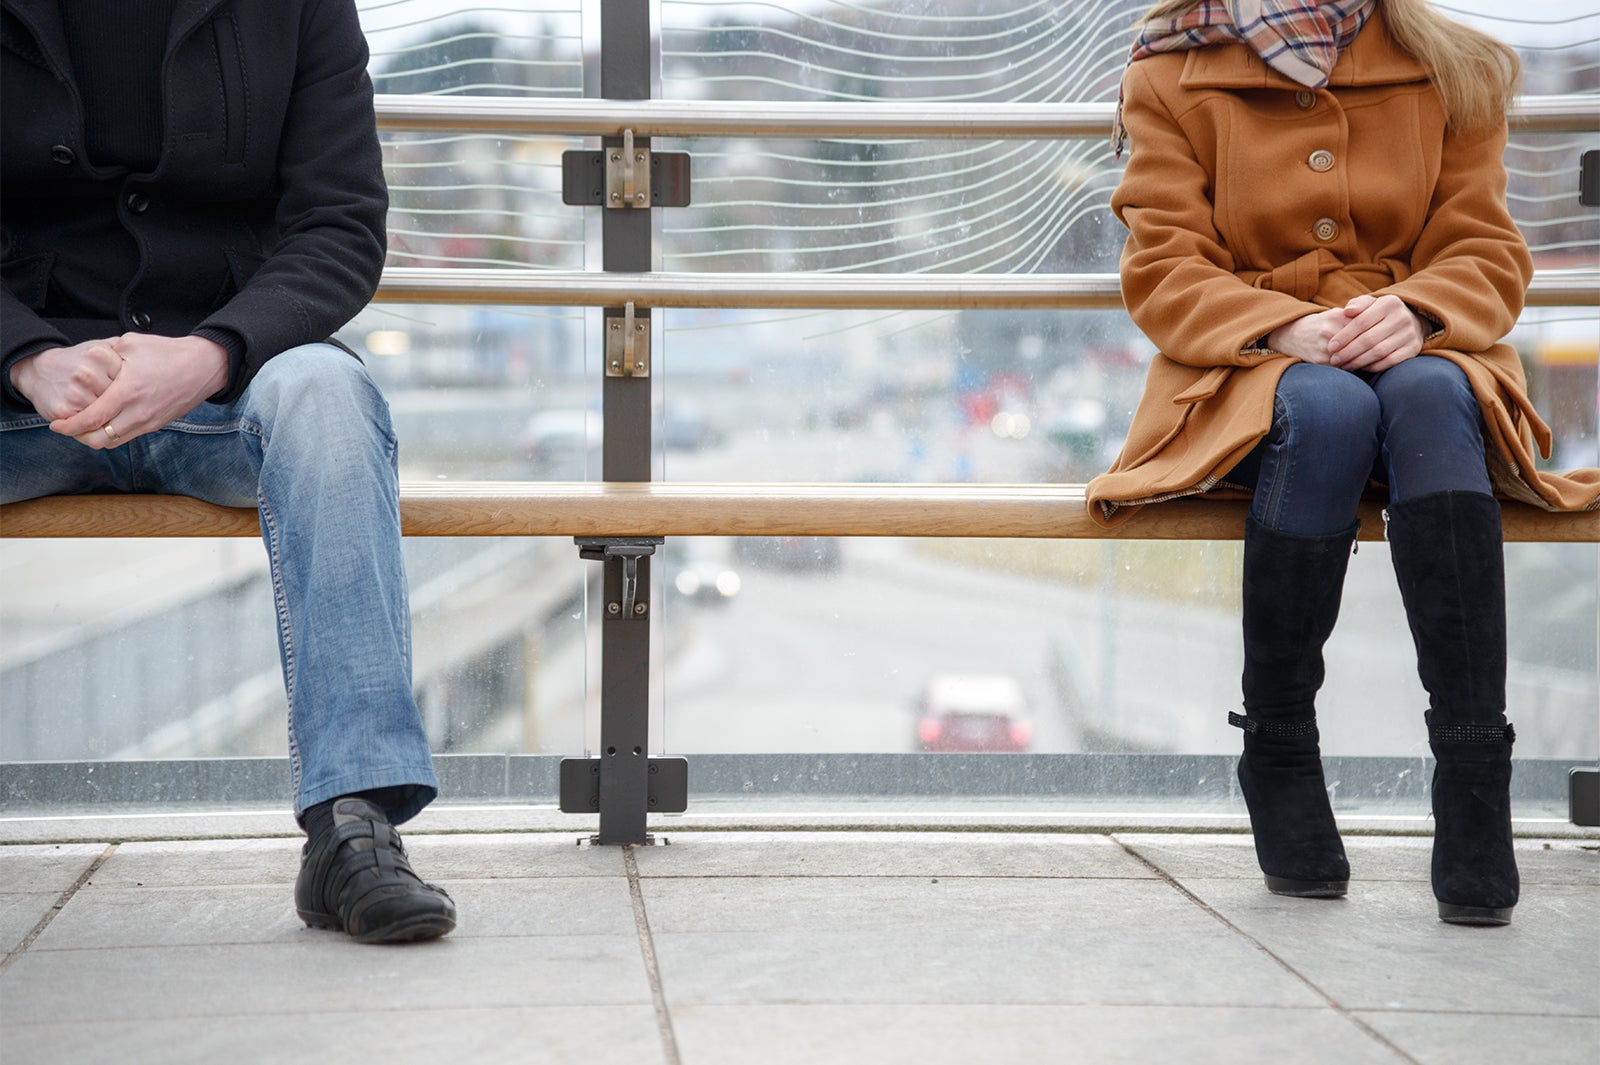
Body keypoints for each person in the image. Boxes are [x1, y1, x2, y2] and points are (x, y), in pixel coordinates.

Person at [1088, 0, 1600, 925]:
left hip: (1425, 367)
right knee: (1324, 409)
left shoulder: (1455, 67)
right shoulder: (1173, 71)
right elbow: (1163, 265)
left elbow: (1485, 246)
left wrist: (1419, 311)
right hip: (1252, 380)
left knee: (1431, 394)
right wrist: (1280, 323)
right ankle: (1279, 747)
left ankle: (1475, 775)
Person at [1, 0, 456, 943]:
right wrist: (29, 357)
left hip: (225, 383)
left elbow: (341, 226)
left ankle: (352, 826)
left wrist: (212, 350)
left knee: (329, 394)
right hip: (20, 391)